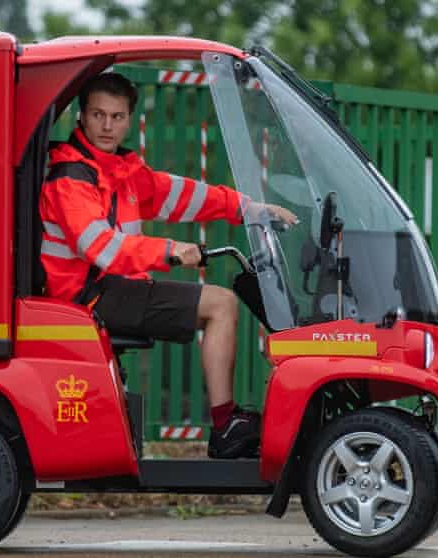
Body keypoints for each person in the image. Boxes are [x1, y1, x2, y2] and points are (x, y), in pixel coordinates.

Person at [39, 72, 298, 459]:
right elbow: (100, 247)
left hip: (113, 286)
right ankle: (227, 427)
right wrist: (170, 250)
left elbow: (180, 195)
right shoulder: (71, 177)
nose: (107, 126)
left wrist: (249, 209)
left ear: (129, 119)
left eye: (117, 116)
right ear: (81, 117)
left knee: (219, 302)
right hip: (86, 296)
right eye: (98, 115)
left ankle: (229, 424)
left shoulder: (120, 170)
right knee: (221, 304)